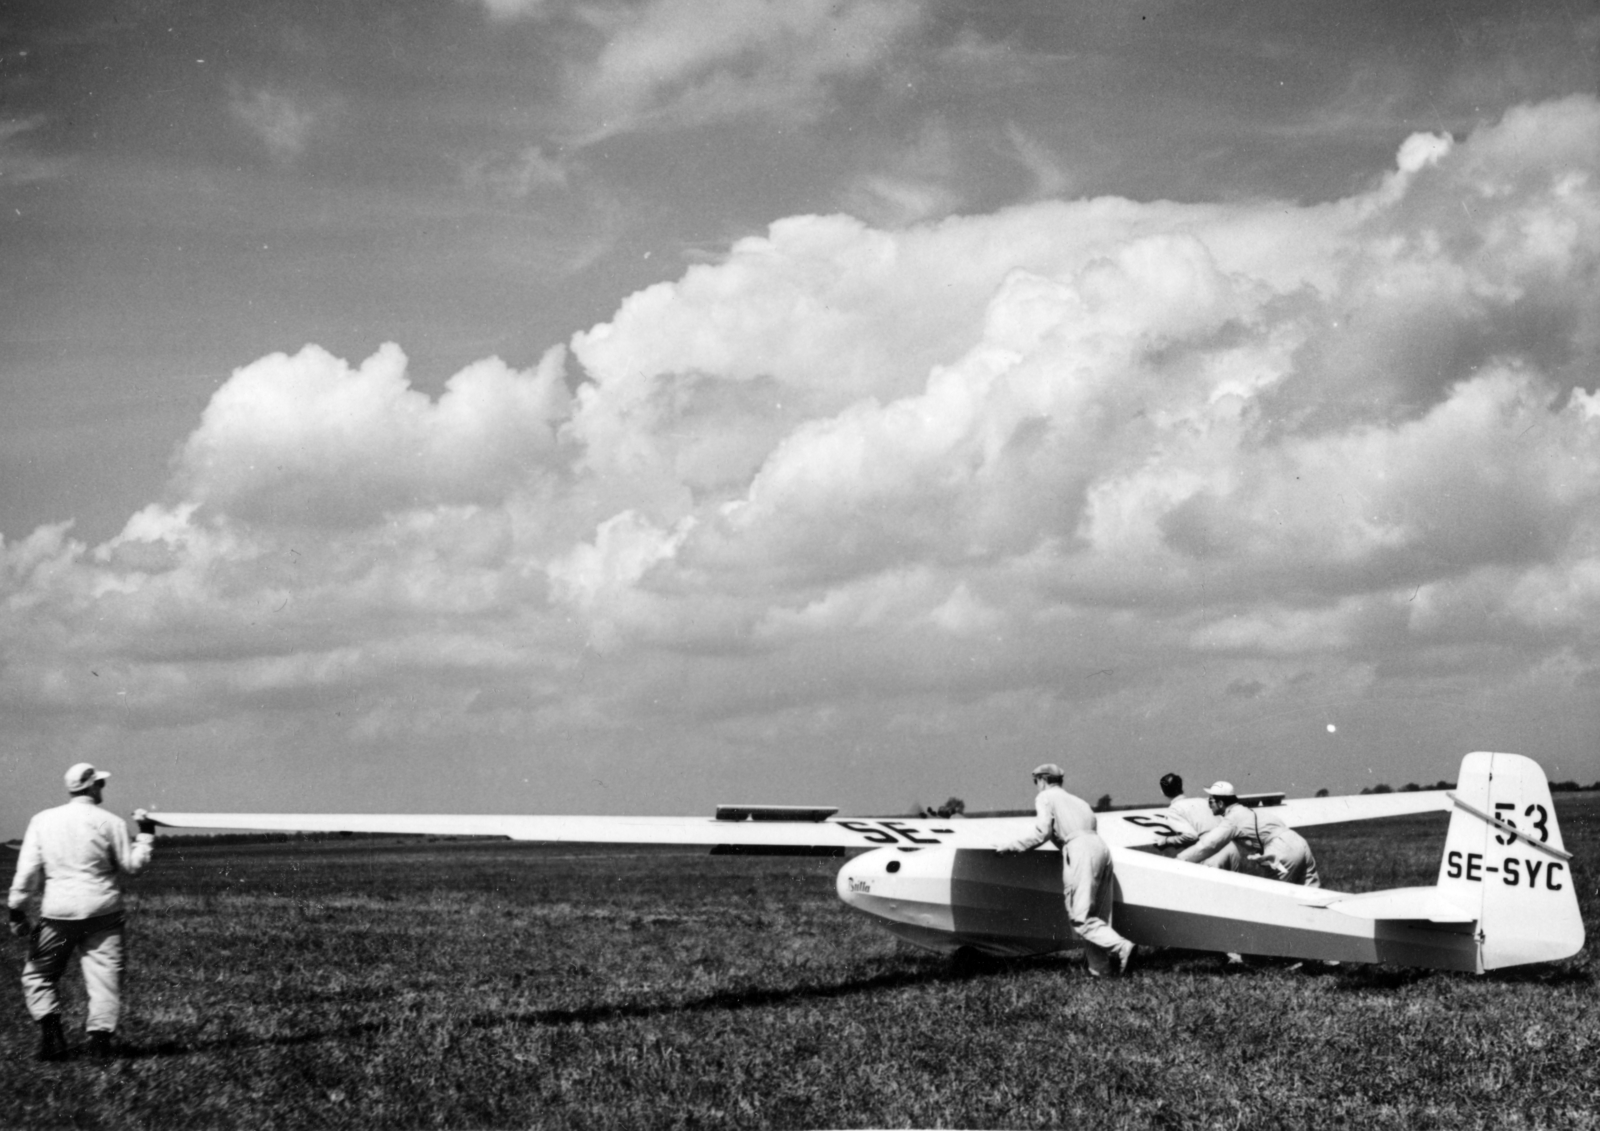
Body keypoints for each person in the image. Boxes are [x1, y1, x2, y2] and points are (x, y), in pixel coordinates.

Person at [7, 763, 156, 1061]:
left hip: (57, 913)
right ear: (90, 787)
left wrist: (17, 910)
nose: (101, 788)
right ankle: (99, 1044)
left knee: (38, 975)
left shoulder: (42, 820)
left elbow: (27, 873)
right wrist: (146, 834)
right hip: (104, 911)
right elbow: (132, 866)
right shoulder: (111, 822)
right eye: (99, 784)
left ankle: (52, 1039)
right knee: (104, 978)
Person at [996, 763, 1135, 976]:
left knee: (1080, 917)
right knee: (1097, 916)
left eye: (1036, 782)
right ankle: (1101, 970)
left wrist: (1010, 847)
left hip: (1079, 850)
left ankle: (1121, 947)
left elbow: (1042, 832)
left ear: (1042, 780)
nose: (1037, 786)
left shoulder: (1045, 798)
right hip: (1101, 848)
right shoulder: (1079, 801)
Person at [1194, 781, 1320, 887]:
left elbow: (1207, 845)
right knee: (1313, 895)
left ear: (1220, 803)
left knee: (1274, 898)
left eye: (1210, 801)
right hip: (1299, 842)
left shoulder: (1231, 819)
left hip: (1282, 849)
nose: (1209, 805)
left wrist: (1181, 860)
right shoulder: (1246, 812)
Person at [1153, 773, 1242, 871]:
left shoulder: (1173, 810)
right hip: (1231, 848)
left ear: (1163, 792)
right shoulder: (1203, 801)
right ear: (1181, 786)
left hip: (1211, 852)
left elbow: (1191, 836)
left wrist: (1166, 841)